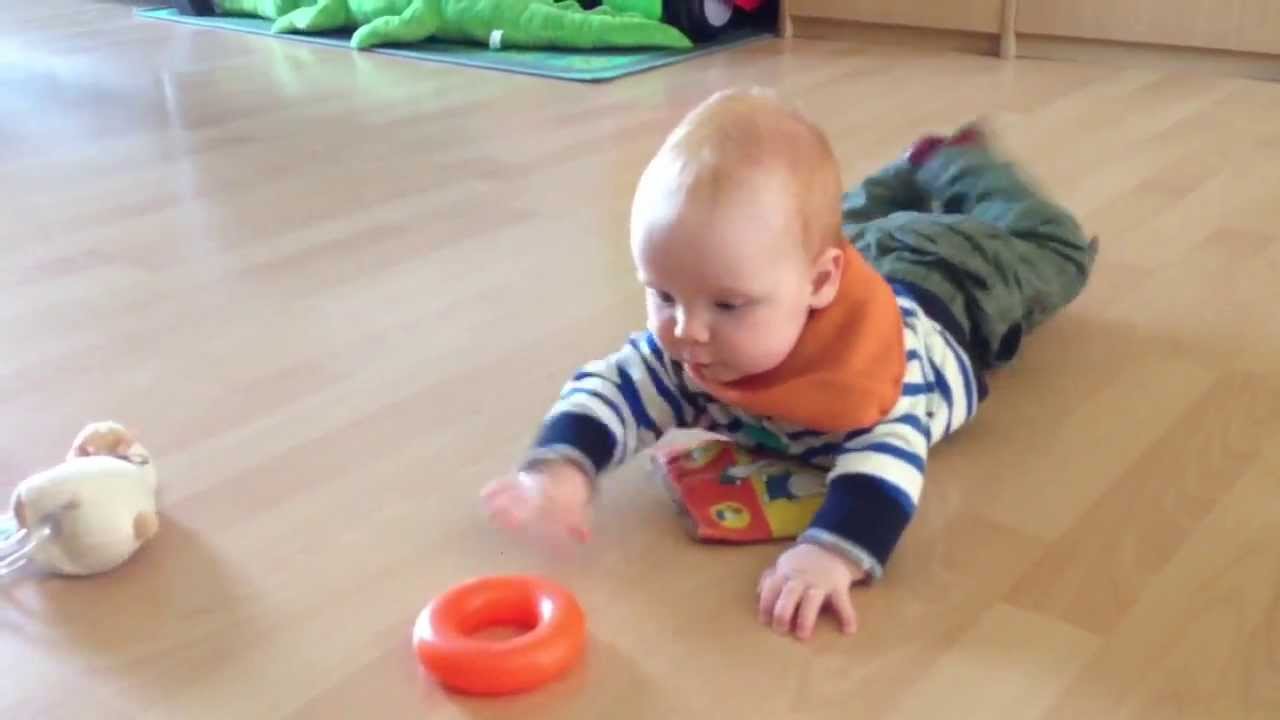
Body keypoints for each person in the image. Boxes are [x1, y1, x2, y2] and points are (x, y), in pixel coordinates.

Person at [481, 87, 1098, 641]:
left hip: (955, 286)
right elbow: (612, 389)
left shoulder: (871, 378)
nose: (687, 328)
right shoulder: (708, 334)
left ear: (821, 282)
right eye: (663, 294)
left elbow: (887, 468)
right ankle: (892, 182)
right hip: (854, 251)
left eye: (727, 303)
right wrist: (564, 467)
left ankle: (951, 161)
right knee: (820, 221)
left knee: (1055, 249)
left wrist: (833, 555)